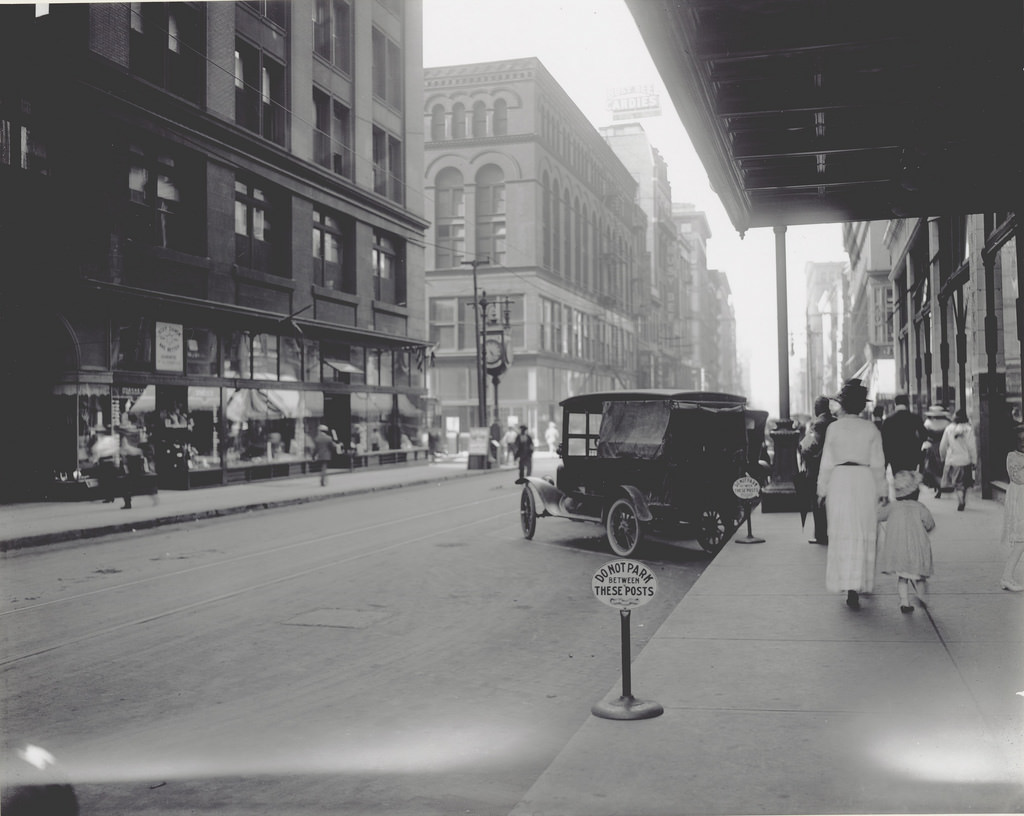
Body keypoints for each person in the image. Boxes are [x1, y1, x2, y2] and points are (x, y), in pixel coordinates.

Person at [817, 379, 887, 610]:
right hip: (864, 480)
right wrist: (883, 490)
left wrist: (822, 489)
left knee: (842, 532)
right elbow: (878, 464)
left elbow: (826, 463)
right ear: (862, 405)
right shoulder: (871, 429)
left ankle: (847, 584)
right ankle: (858, 582)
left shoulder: (834, 428)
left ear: (843, 404)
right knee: (863, 531)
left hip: (840, 480)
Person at [878, 470, 935, 613]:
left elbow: (879, 516)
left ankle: (904, 602)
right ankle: (921, 596)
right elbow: (930, 524)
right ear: (916, 493)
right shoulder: (920, 507)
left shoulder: (893, 507)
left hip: (899, 550)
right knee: (920, 577)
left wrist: (881, 503)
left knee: (902, 578)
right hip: (917, 550)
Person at [799, 395, 835, 545]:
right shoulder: (834, 422)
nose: (814, 409)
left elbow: (815, 445)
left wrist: (803, 451)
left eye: (815, 406)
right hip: (833, 468)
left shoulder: (819, 423)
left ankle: (820, 535)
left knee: (817, 503)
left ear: (820, 407)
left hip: (817, 469)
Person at [1000, 423, 1024, 591]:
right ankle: (1007, 577)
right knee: (1020, 541)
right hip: (1020, 501)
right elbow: (1019, 478)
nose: (1023, 444)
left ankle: (1007, 576)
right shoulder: (1013, 457)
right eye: (1020, 440)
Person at [939, 408, 977, 511]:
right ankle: (962, 499)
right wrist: (974, 461)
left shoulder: (949, 429)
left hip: (953, 461)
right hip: (966, 461)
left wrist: (942, 457)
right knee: (965, 483)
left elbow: (943, 445)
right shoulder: (968, 429)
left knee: (958, 483)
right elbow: (972, 446)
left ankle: (961, 501)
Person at [881, 393, 926, 477]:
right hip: (912, 455)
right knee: (911, 481)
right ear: (907, 404)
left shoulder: (888, 421)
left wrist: (886, 462)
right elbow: (924, 436)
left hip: (894, 457)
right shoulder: (915, 418)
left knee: (899, 482)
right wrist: (917, 447)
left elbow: (884, 442)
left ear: (895, 404)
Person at [921, 405, 951, 498]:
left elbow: (924, 434)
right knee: (942, 467)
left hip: (932, 447)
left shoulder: (928, 422)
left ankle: (938, 487)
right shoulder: (947, 422)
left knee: (933, 468)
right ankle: (944, 484)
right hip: (944, 446)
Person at [89, 428, 121, 503]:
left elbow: (96, 449)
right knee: (107, 480)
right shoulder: (107, 440)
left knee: (105, 480)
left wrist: (95, 459)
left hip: (105, 461)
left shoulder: (104, 440)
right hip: (108, 461)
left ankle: (109, 496)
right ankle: (110, 496)